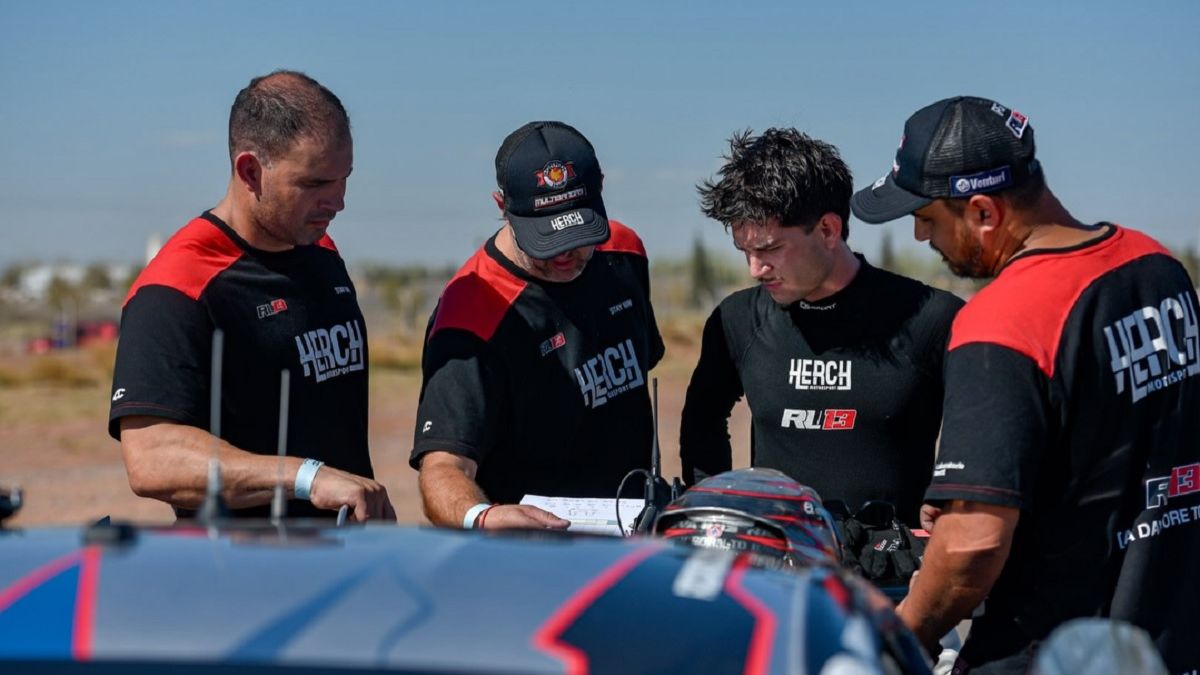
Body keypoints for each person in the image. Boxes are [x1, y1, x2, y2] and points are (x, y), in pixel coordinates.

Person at [851, 95, 1199, 673]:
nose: (918, 236)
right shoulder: (1156, 267)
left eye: (929, 216)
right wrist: (989, 485)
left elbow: (972, 545)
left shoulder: (1003, 322)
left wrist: (903, 632)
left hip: (1058, 649)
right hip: (1168, 637)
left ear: (984, 212)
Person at [109, 70, 395, 522]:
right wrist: (307, 478)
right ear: (250, 171)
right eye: (316, 183)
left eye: (345, 178)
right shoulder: (178, 285)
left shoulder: (320, 250)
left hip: (346, 563)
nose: (338, 201)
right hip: (241, 579)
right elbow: (152, 458)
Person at [682, 128, 963, 527]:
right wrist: (713, 512)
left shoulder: (934, 319)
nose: (755, 269)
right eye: (744, 251)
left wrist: (948, 508)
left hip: (893, 574)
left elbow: (984, 436)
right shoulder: (736, 321)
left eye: (770, 249)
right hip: (777, 569)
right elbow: (702, 421)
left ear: (829, 230)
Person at [411, 121, 665, 530]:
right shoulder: (472, 314)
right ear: (501, 206)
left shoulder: (623, 252)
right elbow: (442, 469)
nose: (565, 253)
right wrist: (483, 516)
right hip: (532, 555)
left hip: (631, 537)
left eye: (580, 234)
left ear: (601, 188)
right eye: (545, 238)